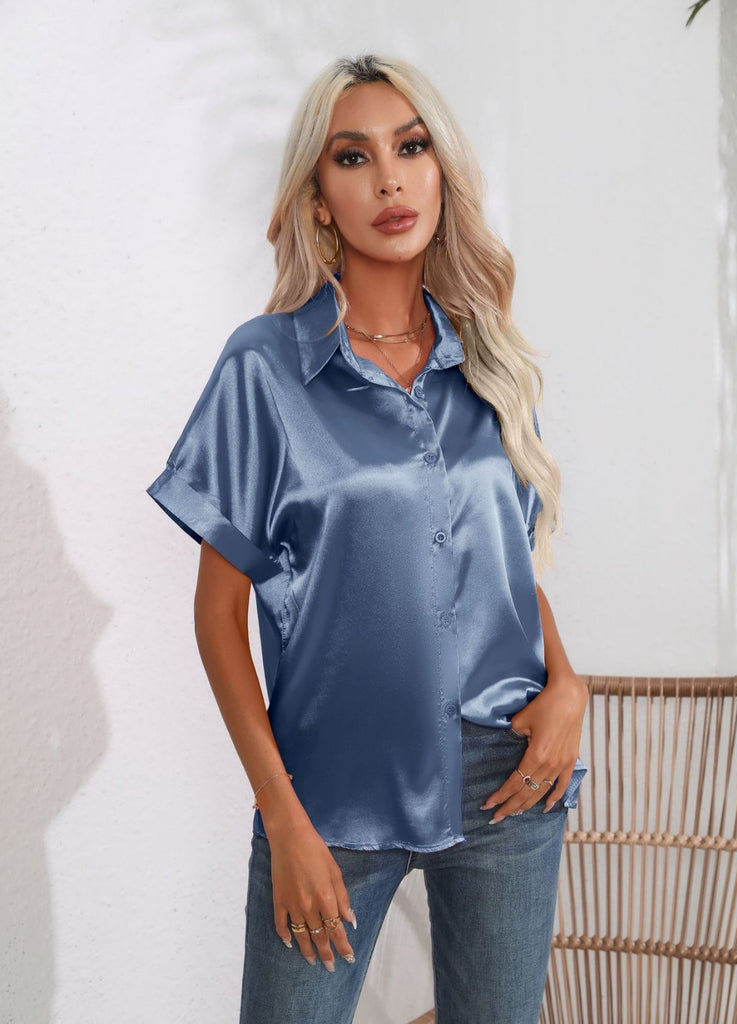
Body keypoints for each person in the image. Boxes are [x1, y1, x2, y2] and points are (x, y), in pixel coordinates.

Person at [147, 53, 589, 1024]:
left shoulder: (487, 359)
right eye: (354, 157)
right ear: (318, 199)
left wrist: (568, 684)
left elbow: (505, 566)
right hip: (332, 790)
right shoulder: (265, 370)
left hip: (507, 774)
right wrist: (283, 818)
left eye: (411, 148)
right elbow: (218, 618)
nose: (390, 179)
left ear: (441, 172)